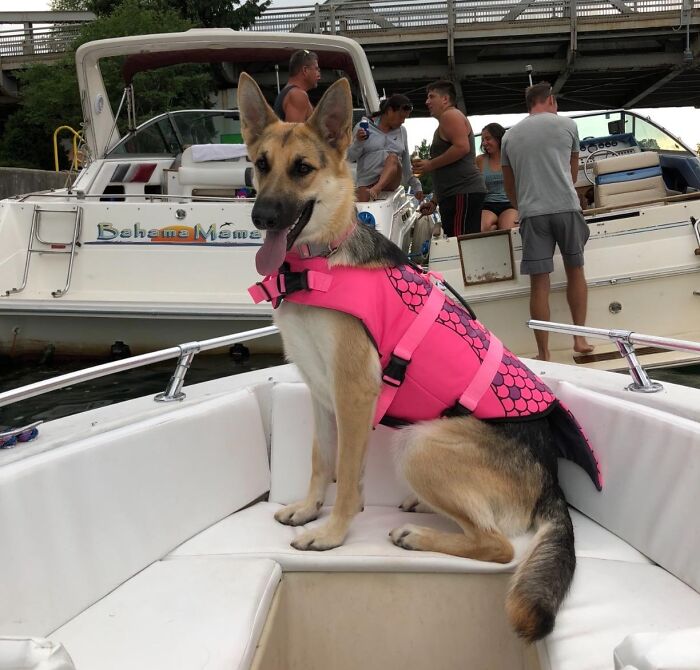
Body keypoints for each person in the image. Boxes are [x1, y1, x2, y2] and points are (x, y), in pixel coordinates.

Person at [501, 81, 594, 361]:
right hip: (566, 207)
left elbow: (509, 185)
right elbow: (572, 170)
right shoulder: (568, 126)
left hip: (532, 213)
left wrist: (523, 206)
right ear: (550, 100)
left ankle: (544, 352)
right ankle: (579, 339)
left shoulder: (509, 137)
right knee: (575, 270)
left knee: (539, 284)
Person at [412, 80, 486, 237]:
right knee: (459, 243)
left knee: (461, 244)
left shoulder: (450, 115)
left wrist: (430, 164)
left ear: (445, 99)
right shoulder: (447, 120)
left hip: (462, 192)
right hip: (455, 194)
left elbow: (462, 147)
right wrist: (434, 201)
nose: (427, 102)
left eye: (431, 97)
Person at [347, 94, 423, 202]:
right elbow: (350, 157)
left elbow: (406, 163)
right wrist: (358, 142)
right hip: (367, 181)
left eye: (405, 118)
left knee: (392, 158)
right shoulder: (362, 127)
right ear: (389, 110)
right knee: (359, 210)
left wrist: (417, 186)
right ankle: (372, 190)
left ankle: (378, 188)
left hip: (391, 181)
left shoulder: (402, 131)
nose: (403, 121)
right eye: (401, 117)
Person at [476, 123, 518, 231]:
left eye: (488, 139)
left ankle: (498, 227)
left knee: (508, 230)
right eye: (482, 140)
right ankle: (493, 227)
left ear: (499, 138)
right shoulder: (479, 160)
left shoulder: (512, 157)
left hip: (509, 203)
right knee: (482, 228)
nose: (484, 143)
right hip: (488, 204)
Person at [273, 49, 321, 122]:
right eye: (316, 69)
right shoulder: (297, 95)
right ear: (305, 70)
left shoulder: (290, 93)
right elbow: (295, 133)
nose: (319, 75)